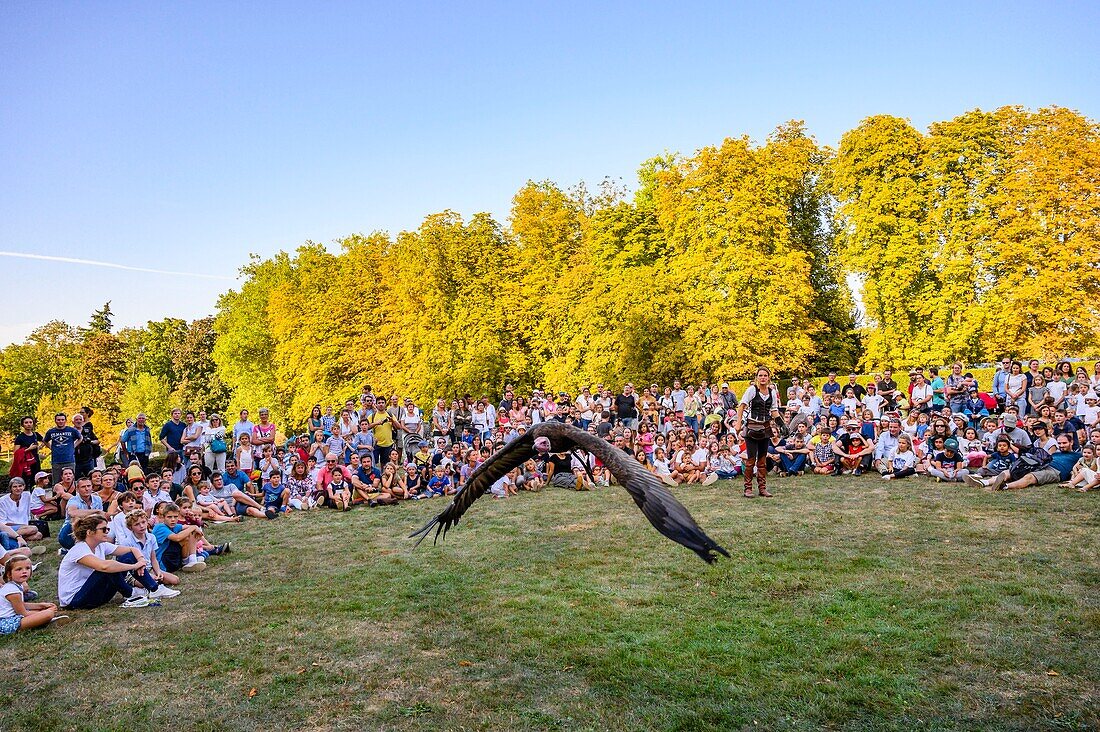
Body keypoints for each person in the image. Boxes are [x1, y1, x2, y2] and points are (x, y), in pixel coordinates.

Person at [57, 513, 156, 610]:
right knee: (108, 568)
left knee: (127, 557)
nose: (107, 532)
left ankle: (154, 588)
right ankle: (131, 594)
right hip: (75, 600)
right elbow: (104, 567)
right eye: (104, 529)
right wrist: (134, 566)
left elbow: (131, 550)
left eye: (108, 529)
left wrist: (141, 560)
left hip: (94, 594)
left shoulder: (101, 545)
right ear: (89, 532)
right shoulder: (79, 550)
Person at [734, 367, 781, 497]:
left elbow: (774, 411)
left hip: (765, 428)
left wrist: (782, 424)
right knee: (750, 460)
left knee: (762, 460)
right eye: (760, 375)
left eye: (765, 375)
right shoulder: (752, 390)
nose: (763, 378)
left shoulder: (772, 392)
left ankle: (762, 488)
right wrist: (738, 423)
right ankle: (748, 489)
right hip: (752, 427)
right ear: (757, 377)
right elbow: (742, 406)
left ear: (768, 377)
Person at [974, 434, 1081, 491]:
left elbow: (1087, 466)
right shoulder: (1056, 453)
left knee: (1030, 477)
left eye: (1064, 443)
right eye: (1059, 443)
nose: (1061, 445)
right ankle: (985, 482)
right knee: (1013, 470)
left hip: (1056, 471)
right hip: (1042, 465)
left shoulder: (1078, 455)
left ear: (1071, 442)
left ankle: (1005, 486)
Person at [1, 556, 67, 634]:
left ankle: (43, 620)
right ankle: (46, 620)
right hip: (5, 622)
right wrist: (46, 611)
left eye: (27, 568)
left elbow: (21, 605)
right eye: (19, 569)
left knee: (42, 611)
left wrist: (41, 606)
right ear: (9, 574)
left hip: (13, 617)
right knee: (47, 614)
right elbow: (23, 613)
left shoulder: (16, 586)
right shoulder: (12, 591)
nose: (24, 571)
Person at [0, 477, 44, 543]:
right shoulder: (3, 501)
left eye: (20, 486)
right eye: (15, 487)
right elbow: (3, 522)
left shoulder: (27, 495)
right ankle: (10, 535)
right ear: (11, 488)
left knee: (39, 535)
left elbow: (29, 511)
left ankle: (14, 539)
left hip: (25, 528)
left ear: (24, 487)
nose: (18, 489)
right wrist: (22, 525)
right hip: (9, 527)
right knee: (34, 528)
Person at [43, 412, 82, 485]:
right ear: (55, 421)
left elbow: (80, 438)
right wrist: (51, 448)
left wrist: (74, 446)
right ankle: (56, 496)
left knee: (70, 481)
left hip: (69, 459)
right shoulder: (51, 431)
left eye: (62, 420)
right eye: (58, 420)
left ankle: (71, 496)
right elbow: (45, 441)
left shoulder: (71, 430)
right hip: (56, 460)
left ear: (65, 420)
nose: (60, 421)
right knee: (56, 482)